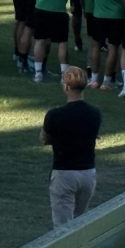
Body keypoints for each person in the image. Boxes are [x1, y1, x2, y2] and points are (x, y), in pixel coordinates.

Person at [41, 66, 102, 227]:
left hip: (64, 173)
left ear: (66, 87)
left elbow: (44, 138)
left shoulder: (54, 114)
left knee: (62, 227)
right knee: (80, 221)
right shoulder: (95, 113)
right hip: (88, 173)